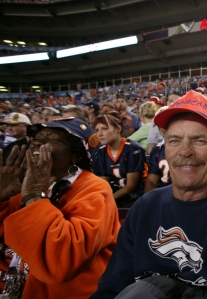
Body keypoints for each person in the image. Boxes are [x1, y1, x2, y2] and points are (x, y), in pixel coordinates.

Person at [90, 90, 207, 299]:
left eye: (198, 140)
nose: (185, 151)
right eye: (175, 141)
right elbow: (111, 287)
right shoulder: (143, 208)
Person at [0, 118, 120, 299]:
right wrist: (1, 199)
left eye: (53, 140)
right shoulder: (23, 182)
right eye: (38, 140)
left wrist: (33, 196)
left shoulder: (94, 188)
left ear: (76, 153)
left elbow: (63, 262)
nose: (40, 146)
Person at [93, 111, 148, 207]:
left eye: (104, 129)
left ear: (118, 128)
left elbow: (131, 186)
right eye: (97, 130)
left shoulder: (133, 149)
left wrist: (108, 200)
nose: (100, 134)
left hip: (135, 197)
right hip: (115, 195)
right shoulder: (101, 152)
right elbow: (104, 182)